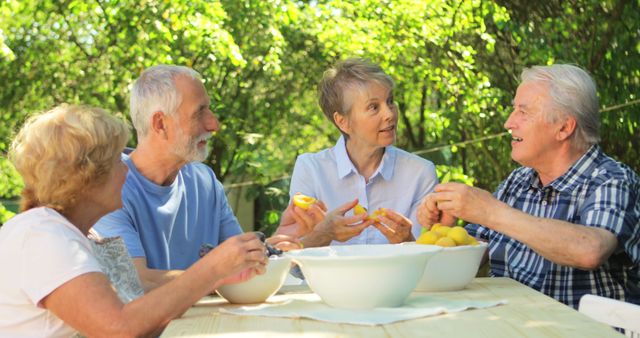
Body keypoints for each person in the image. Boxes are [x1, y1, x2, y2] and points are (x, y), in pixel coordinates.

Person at [0, 105, 268, 337]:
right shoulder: (43, 236)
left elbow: (142, 302)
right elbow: (119, 329)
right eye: (117, 159)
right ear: (87, 178)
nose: (127, 168)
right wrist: (211, 269)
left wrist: (221, 274)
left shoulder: (85, 237)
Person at [417, 64, 640, 308]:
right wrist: (444, 231)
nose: (508, 123)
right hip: (511, 326)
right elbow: (469, 259)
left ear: (564, 127)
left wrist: (490, 211)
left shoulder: (611, 179)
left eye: (523, 112)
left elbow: (590, 250)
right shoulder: (517, 182)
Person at [93, 65, 298, 291]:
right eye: (199, 112)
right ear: (160, 124)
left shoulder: (205, 181)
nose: (214, 124)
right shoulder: (109, 188)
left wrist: (276, 243)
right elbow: (136, 281)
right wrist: (216, 274)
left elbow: (240, 267)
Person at [276, 58, 438, 247]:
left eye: (390, 101)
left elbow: (429, 262)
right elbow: (293, 262)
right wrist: (324, 234)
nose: (390, 114)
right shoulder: (310, 169)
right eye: (373, 107)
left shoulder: (421, 173)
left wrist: (406, 241)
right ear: (342, 121)